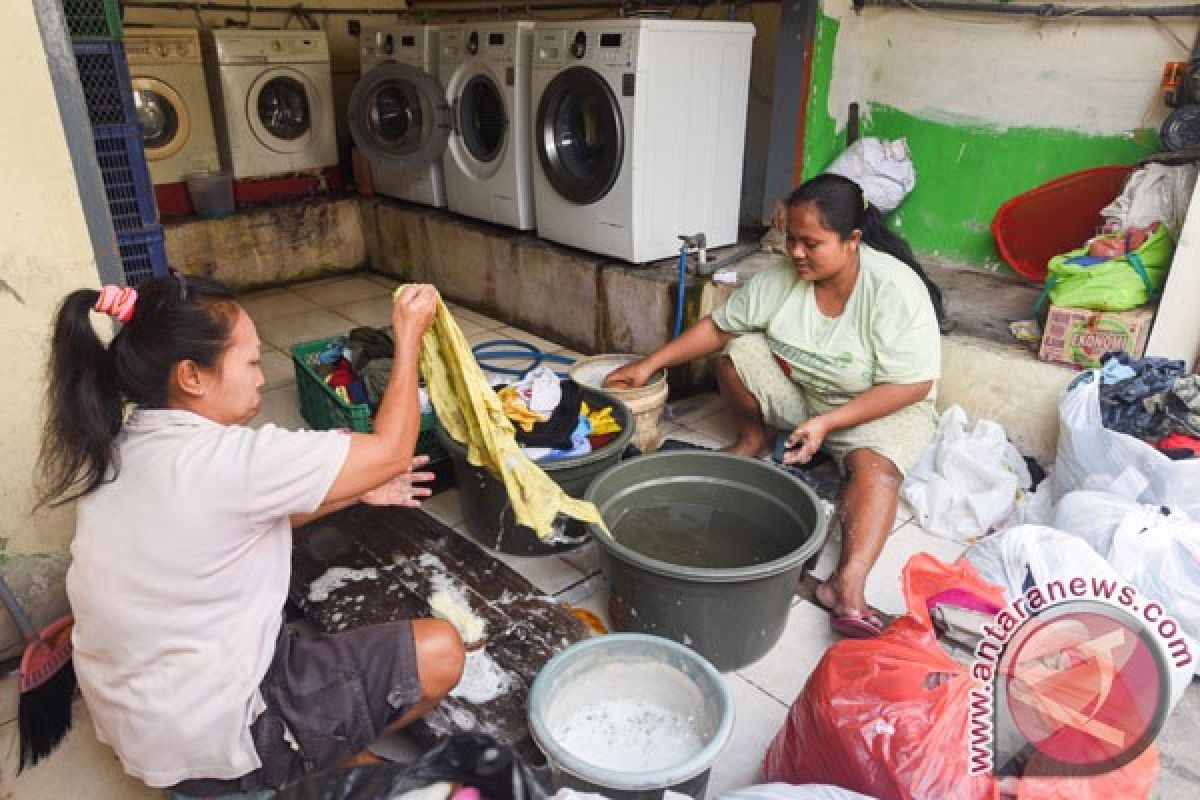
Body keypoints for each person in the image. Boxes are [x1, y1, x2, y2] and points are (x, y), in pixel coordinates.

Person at [37, 275, 466, 793]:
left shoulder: (126, 445)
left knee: (303, 634)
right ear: (192, 376)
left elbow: (236, 523)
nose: (263, 379)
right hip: (215, 742)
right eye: (252, 363)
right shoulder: (232, 461)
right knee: (441, 649)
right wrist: (409, 336)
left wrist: (356, 491)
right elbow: (392, 450)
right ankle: (307, 766)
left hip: (146, 726)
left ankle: (307, 749)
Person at [606, 174, 946, 639]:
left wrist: (831, 422)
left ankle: (846, 586)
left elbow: (910, 385)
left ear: (852, 241)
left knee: (875, 471)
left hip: (882, 406)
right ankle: (753, 440)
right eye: (791, 239)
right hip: (811, 398)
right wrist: (648, 366)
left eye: (812, 242)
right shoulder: (782, 280)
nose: (797, 253)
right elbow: (720, 328)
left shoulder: (894, 290)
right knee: (739, 351)